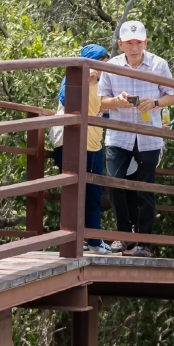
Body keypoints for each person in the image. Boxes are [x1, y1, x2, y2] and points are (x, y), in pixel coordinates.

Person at [98, 21, 174, 258]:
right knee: (114, 183)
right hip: (118, 134)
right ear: (120, 44)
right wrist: (117, 101)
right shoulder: (111, 67)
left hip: (148, 136)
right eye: (129, 43)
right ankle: (124, 236)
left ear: (146, 42)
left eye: (139, 42)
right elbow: (101, 101)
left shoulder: (158, 64)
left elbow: (172, 96)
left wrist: (153, 103)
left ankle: (144, 243)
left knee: (145, 189)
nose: (134, 48)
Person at [51, 44, 111, 254]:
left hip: (94, 144)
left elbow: (106, 112)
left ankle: (92, 239)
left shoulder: (105, 83)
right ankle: (73, 240)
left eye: (104, 64)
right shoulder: (74, 77)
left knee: (93, 194)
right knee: (74, 193)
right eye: (99, 63)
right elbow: (67, 100)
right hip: (70, 143)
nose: (102, 68)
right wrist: (86, 77)